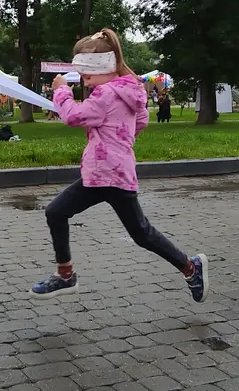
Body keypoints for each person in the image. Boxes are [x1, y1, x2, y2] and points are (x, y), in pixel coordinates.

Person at [30, 29, 209, 302]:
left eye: (87, 75)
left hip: (111, 176)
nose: (86, 82)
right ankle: (65, 275)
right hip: (101, 173)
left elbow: (73, 116)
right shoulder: (128, 91)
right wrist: (119, 140)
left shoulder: (106, 95)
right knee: (56, 212)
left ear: (104, 67)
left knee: (142, 233)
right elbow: (141, 121)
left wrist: (62, 92)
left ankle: (190, 267)